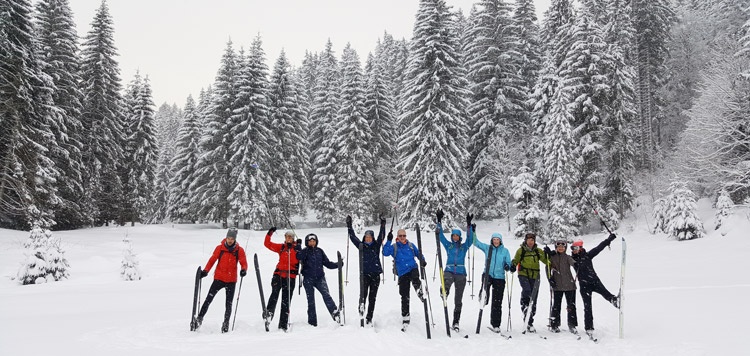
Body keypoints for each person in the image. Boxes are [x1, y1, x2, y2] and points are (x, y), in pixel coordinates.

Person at [196, 227, 248, 333]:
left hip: (231, 281)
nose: (230, 240)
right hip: (218, 279)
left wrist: (243, 270)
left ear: (235, 239)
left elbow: (243, 262)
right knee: (208, 300)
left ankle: (226, 324)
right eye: (228, 238)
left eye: (232, 239)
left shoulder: (239, 250)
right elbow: (212, 260)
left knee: (228, 304)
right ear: (226, 237)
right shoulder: (220, 248)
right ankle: (199, 318)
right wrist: (206, 271)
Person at [571, 233, 620, 336]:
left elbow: (599, 248)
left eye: (575, 247)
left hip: (594, 281)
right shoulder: (572, 260)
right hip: (584, 286)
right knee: (587, 307)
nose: (573, 250)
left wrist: (608, 240)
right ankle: (589, 328)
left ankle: (615, 301)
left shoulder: (588, 255)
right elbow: (560, 259)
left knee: (606, 294)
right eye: (572, 248)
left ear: (580, 248)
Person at [382, 228, 428, 330]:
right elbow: (384, 252)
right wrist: (388, 240)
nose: (402, 238)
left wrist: (422, 260)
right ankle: (405, 316)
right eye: (400, 236)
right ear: (397, 237)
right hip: (402, 273)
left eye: (404, 236)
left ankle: (420, 291)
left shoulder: (410, 245)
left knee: (415, 278)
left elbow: (418, 253)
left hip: (412, 268)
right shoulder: (394, 247)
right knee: (404, 295)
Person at [435, 210, 472, 331]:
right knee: (447, 280)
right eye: (453, 235)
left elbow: (470, 239)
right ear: (451, 237)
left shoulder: (463, 247)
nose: (455, 237)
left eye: (457, 235)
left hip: (461, 273)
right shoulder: (448, 245)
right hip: (449, 270)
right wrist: (439, 221)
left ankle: (456, 322)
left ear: (460, 237)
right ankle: (444, 291)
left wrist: (469, 225)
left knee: (458, 300)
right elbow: (440, 236)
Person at [296, 233, 342, 326]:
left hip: (320, 278)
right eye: (310, 241)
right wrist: (298, 246)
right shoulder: (305, 251)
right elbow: (299, 256)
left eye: (314, 241)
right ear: (307, 242)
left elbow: (327, 263)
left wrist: (338, 264)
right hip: (308, 279)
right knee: (311, 301)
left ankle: (335, 313)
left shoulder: (320, 251)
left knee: (326, 295)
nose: (312, 243)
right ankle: (312, 322)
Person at [347, 215, 385, 326]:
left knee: (372, 298)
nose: (368, 238)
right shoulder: (361, 246)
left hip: (375, 275)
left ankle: (369, 318)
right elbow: (353, 236)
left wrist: (383, 224)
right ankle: (361, 308)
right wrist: (349, 225)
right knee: (363, 295)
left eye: (370, 237)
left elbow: (381, 235)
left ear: (372, 238)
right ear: (364, 237)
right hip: (364, 274)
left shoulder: (376, 246)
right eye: (366, 236)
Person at [473, 231, 514, 332]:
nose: (496, 241)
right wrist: (473, 231)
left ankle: (496, 324)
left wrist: (508, 266)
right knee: (485, 294)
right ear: (492, 240)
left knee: (497, 302)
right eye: (494, 240)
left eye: (497, 240)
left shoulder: (505, 251)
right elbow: (475, 242)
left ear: (500, 241)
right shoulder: (488, 248)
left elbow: (508, 263)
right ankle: (483, 296)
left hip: (500, 278)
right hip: (488, 274)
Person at [263, 227, 302, 332]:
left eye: (290, 237)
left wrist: (298, 246)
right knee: (274, 295)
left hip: (290, 277)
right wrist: (269, 233)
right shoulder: (281, 247)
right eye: (286, 236)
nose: (288, 238)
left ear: (293, 238)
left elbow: (299, 259)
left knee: (286, 301)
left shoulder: (297, 249)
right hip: (278, 275)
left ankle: (283, 325)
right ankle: (269, 314)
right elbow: (267, 244)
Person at [511, 232, 550, 333]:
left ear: (534, 241)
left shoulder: (538, 251)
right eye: (528, 240)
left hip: (535, 276)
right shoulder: (521, 250)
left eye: (532, 240)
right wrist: (512, 266)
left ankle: (529, 322)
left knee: (534, 298)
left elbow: (547, 262)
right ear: (525, 240)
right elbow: (515, 260)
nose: (530, 242)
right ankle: (524, 305)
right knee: (527, 291)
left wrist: (549, 254)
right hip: (523, 274)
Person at [543, 240, 578, 334]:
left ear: (565, 248)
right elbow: (547, 268)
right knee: (556, 306)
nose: (561, 248)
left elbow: (573, 263)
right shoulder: (552, 257)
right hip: (557, 285)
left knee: (571, 306)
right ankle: (554, 324)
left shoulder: (567, 257)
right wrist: (550, 279)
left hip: (570, 285)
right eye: (559, 247)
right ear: (556, 248)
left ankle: (572, 325)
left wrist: (577, 265)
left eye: (563, 247)